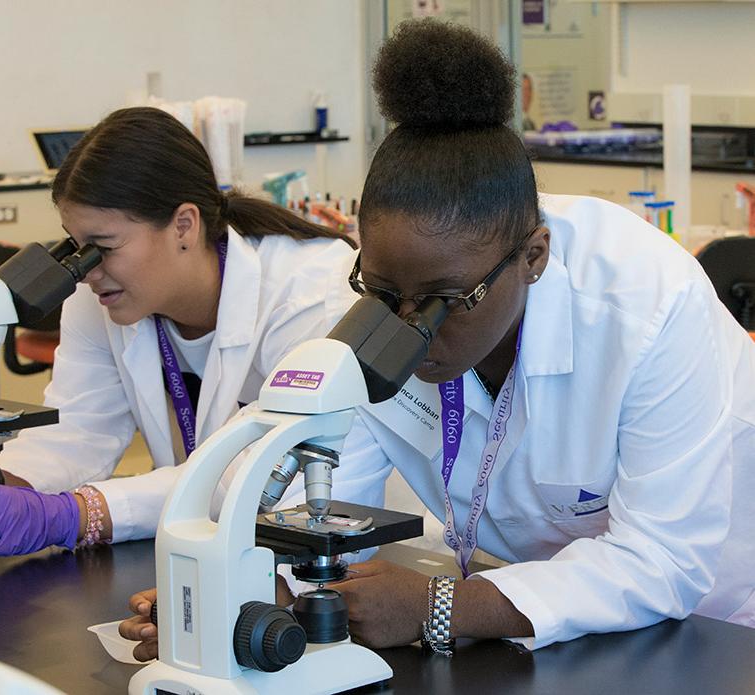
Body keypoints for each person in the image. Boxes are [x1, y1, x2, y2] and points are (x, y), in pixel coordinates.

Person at [121, 19, 754, 658]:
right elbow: (336, 507)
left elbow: (662, 559)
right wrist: (238, 595)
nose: (406, 328)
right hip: (531, 610)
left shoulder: (645, 303)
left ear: (534, 256)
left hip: (714, 616)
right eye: (384, 293)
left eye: (445, 302)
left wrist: (438, 605)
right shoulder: (383, 299)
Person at [0, 106, 388, 555]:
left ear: (184, 224)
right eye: (77, 246)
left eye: (102, 246)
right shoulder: (97, 296)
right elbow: (79, 431)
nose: (85, 270)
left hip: (345, 549)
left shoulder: (308, 294)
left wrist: (79, 514)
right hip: (200, 536)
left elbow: (258, 474)